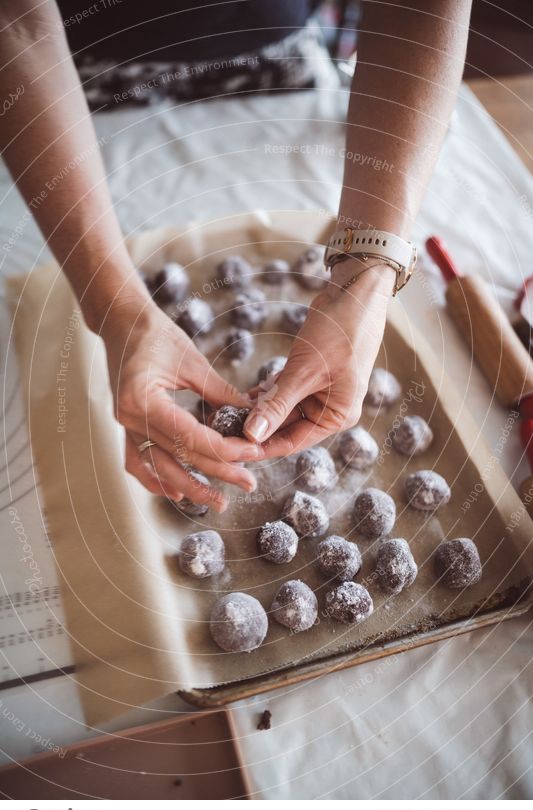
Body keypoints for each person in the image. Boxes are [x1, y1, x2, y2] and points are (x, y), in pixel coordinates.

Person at [0, 0, 471, 512]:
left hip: (276, 58)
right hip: (67, 83)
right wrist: (118, 312)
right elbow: (17, 23)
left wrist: (367, 281)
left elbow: (416, 9)